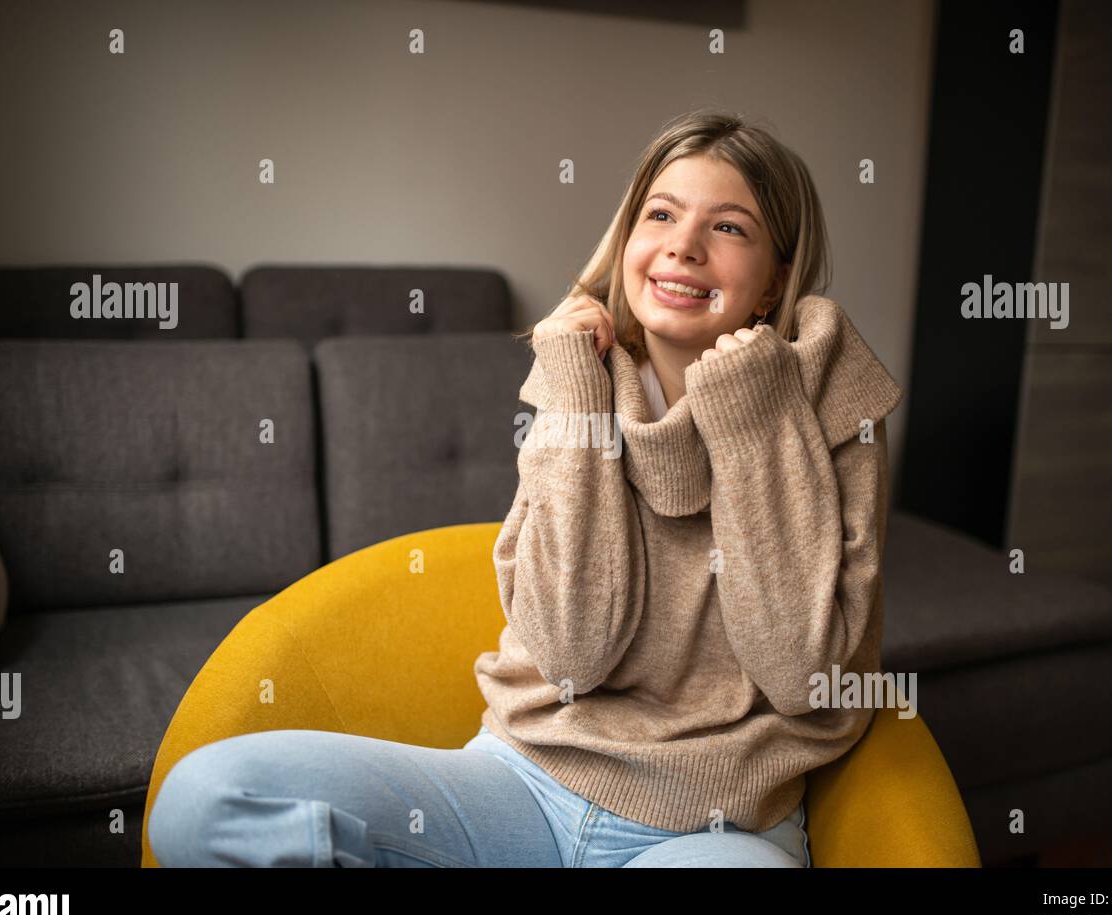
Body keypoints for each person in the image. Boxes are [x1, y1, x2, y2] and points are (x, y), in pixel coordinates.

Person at [148, 108, 902, 867]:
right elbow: (574, 650)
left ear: (775, 279)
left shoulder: (835, 409)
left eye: (730, 227)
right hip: (519, 790)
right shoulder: (577, 378)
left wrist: (754, 419)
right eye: (661, 213)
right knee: (203, 800)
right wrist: (576, 394)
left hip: (714, 832)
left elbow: (800, 674)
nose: (682, 244)